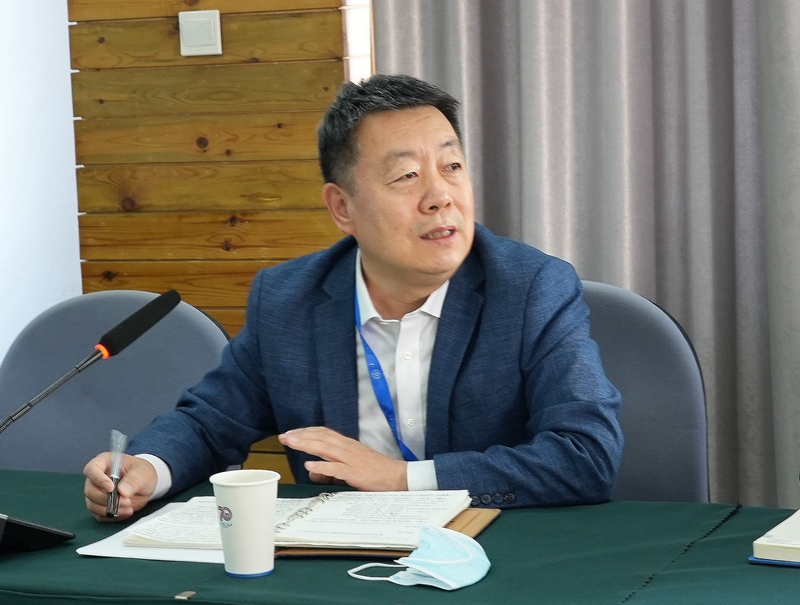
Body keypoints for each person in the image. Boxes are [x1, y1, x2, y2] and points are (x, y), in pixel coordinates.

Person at [84, 74, 623, 521]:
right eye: (407, 175)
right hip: (338, 564)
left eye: (452, 167)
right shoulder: (289, 300)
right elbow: (209, 423)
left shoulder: (531, 288)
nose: (440, 197)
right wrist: (147, 469)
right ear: (342, 208)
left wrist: (400, 478)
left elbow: (585, 455)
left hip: (490, 556)